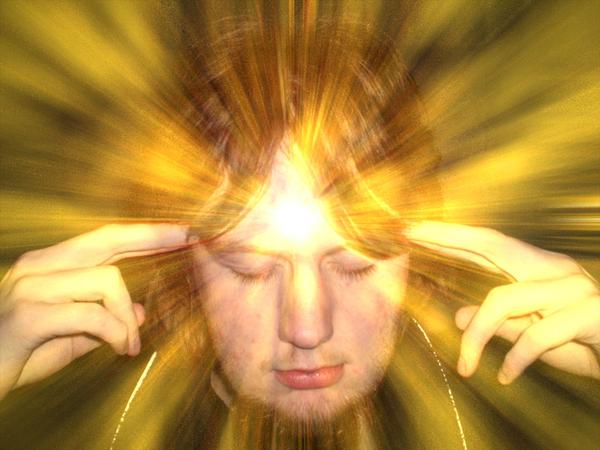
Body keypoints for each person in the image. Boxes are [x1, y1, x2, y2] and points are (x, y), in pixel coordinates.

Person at [1, 5, 599, 450]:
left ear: (420, 253)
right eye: (249, 270)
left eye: (355, 265)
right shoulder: (60, 427)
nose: (308, 328)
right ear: (180, 266)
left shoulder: (534, 424)